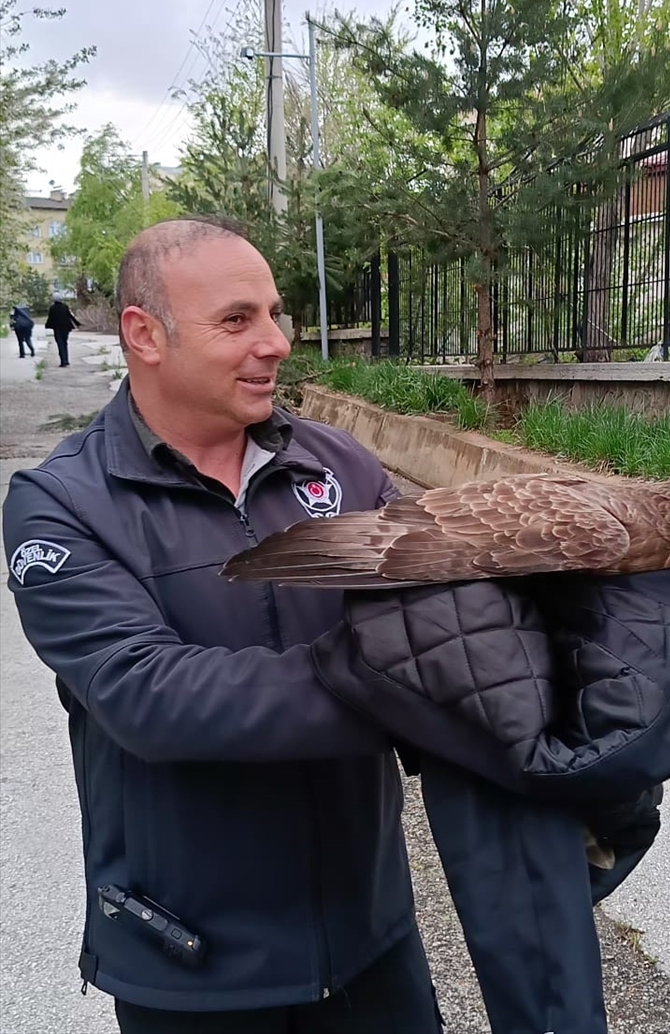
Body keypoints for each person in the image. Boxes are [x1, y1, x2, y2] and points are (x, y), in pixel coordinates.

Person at [3, 217, 442, 1034]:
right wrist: (399, 679)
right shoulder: (60, 505)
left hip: (370, 943)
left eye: (275, 313)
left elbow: (447, 612)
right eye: (237, 320)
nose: (276, 342)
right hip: (192, 965)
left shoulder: (339, 466)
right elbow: (150, 697)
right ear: (145, 335)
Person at [44, 293, 80, 366]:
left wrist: (47, 325)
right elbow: (70, 316)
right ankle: (66, 360)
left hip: (57, 329)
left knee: (60, 344)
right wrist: (77, 323)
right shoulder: (65, 307)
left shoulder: (52, 308)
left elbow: (50, 318)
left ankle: (63, 361)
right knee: (64, 343)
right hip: (66, 328)